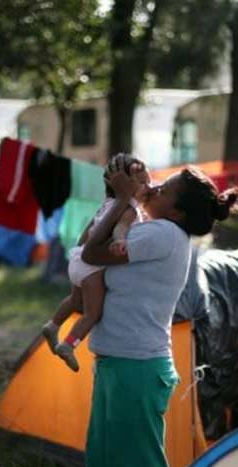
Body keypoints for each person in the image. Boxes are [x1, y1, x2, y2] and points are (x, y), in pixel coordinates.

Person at [81, 154, 238, 467]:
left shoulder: (164, 234)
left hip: (136, 367)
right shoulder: (152, 229)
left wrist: (125, 197)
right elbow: (90, 241)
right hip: (117, 360)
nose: (152, 187)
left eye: (163, 189)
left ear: (176, 212)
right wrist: (118, 195)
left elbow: (92, 254)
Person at [40, 154, 151, 371]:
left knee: (74, 299)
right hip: (92, 267)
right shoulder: (129, 209)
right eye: (142, 183)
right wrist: (120, 241)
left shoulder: (108, 204)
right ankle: (69, 345)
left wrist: (77, 254)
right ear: (125, 186)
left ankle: (52, 325)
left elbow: (88, 232)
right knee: (92, 313)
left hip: (78, 258)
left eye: (148, 182)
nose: (148, 187)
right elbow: (121, 228)